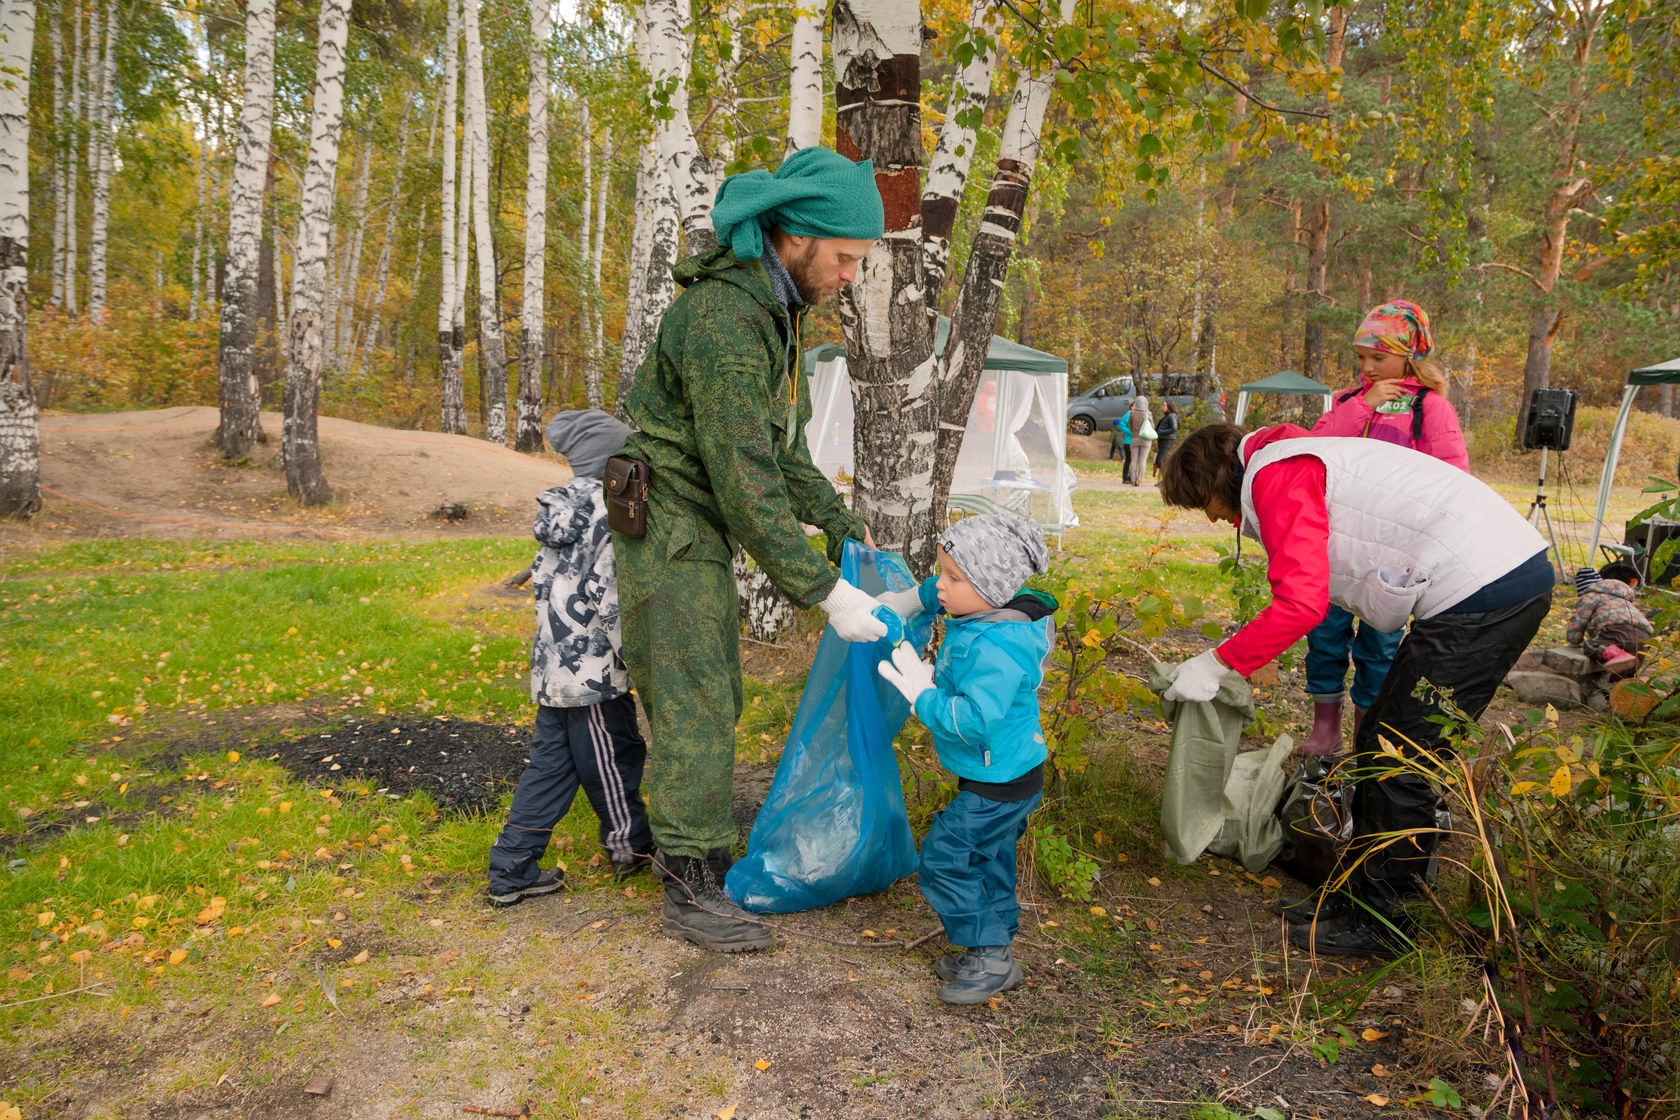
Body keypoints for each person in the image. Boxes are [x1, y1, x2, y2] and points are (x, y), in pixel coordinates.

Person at [613, 147, 888, 953]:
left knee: (713, 689)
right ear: (794, 236)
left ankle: (692, 841)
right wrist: (824, 593)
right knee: (696, 696)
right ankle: (689, 884)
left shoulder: (775, 309)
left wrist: (837, 523)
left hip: (699, 522)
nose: (848, 275)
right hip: (672, 523)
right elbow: (745, 481)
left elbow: (782, 451)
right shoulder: (728, 320)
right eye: (843, 258)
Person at [1159, 422, 1552, 957]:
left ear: (1217, 478)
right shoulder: (1285, 460)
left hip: (1486, 587)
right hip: (1479, 581)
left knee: (1400, 755)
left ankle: (1386, 922)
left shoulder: (1277, 474)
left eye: (1203, 502)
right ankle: (1356, 895)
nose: (1212, 518)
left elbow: (1301, 605)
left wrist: (1218, 662)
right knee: (1376, 744)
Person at [875, 512, 1056, 1004]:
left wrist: (924, 696)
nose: (942, 586)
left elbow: (977, 721)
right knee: (987, 855)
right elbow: (943, 592)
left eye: (954, 577)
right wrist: (910, 601)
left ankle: (986, 949)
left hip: (998, 783)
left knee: (945, 859)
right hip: (1003, 773)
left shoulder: (994, 645)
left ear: (990, 586)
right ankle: (992, 949)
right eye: (941, 572)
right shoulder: (984, 614)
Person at [487, 410, 654, 907]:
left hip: (553, 667)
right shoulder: (609, 513)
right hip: (591, 672)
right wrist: (638, 659)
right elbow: (608, 594)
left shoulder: (561, 507)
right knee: (613, 755)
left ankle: (511, 867)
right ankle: (631, 847)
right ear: (611, 463)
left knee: (550, 767)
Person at [1298, 300, 1469, 755]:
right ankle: (1325, 728)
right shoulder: (1348, 402)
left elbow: (1452, 480)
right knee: (1325, 632)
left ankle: (1363, 736)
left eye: (1380, 357)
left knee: (1380, 645)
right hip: (1335, 543)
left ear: (1408, 356)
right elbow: (1314, 449)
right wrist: (1364, 406)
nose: (1368, 368)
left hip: (1393, 554)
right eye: (1361, 358)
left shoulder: (1430, 409)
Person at [1568, 566, 1649, 675]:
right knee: (1623, 672)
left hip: (1617, 629)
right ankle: (1621, 689)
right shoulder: (1621, 597)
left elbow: (1578, 621)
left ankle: (1616, 654)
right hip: (1644, 635)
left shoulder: (1590, 596)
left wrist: (1574, 640)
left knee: (1591, 646)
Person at [1127, 395, 1155, 487]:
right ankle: (1140, 481)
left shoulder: (1132, 413)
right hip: (1146, 439)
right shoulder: (1148, 413)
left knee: (1134, 460)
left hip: (1135, 438)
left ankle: (1133, 481)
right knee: (1143, 460)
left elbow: (1130, 426)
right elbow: (1152, 427)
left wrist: (1135, 432)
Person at [1152, 401, 1179, 479]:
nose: (1162, 407)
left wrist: (1161, 432)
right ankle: (1165, 480)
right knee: (1163, 461)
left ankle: (1169, 480)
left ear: (1169, 407)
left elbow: (1174, 428)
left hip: (1167, 440)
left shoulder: (1172, 416)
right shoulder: (1167, 416)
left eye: (1164, 405)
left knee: (1159, 461)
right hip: (1163, 440)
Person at [1111, 410, 1133, 481]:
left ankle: (1132, 477)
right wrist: (1132, 432)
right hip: (1128, 442)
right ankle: (1125, 477)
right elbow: (1122, 427)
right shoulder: (1127, 416)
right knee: (1129, 460)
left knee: (1134, 461)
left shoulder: (1142, 414)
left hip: (1135, 441)